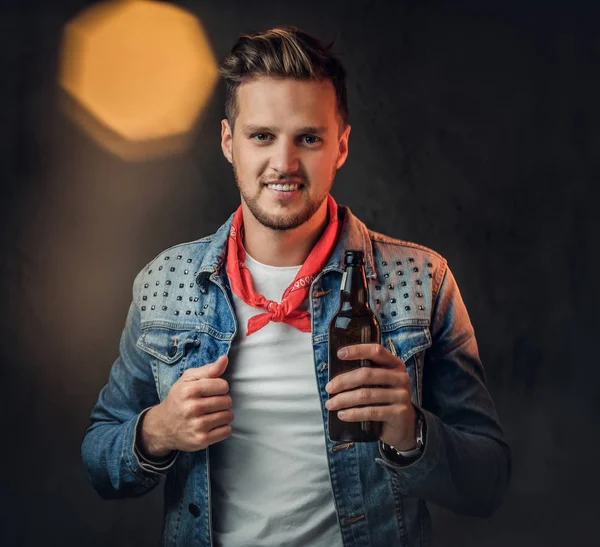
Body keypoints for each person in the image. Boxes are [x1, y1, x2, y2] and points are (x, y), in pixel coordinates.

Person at [81, 25, 511, 547]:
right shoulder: (164, 282)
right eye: (262, 136)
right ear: (228, 142)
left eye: (308, 138)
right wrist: (157, 433)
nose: (283, 164)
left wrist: (411, 432)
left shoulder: (421, 281)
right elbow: (100, 460)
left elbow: (487, 483)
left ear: (342, 146)